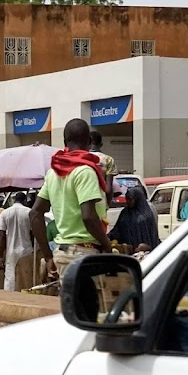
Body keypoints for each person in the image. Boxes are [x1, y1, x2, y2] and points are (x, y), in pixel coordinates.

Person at [30, 119, 113, 280]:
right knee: (95, 304)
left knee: (72, 304)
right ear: (89, 141)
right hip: (85, 253)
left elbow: (34, 213)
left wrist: (48, 256)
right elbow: (88, 216)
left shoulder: (54, 172)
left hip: (62, 254)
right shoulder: (85, 171)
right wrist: (106, 243)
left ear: (65, 142)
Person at [0, 192, 33, 292]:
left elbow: (2, 236)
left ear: (14, 200)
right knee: (26, 276)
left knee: (10, 278)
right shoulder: (29, 212)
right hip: (26, 249)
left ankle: (9, 299)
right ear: (25, 200)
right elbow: (32, 233)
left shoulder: (5, 213)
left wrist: (1, 256)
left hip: (11, 251)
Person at [110, 186, 161, 250]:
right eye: (127, 199)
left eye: (130, 199)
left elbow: (151, 238)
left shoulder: (146, 215)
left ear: (137, 199)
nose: (128, 201)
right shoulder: (125, 212)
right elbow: (117, 230)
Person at [89, 130, 116, 203]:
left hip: (84, 201)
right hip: (101, 202)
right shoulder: (108, 160)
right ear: (101, 144)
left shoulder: (81, 158)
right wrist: (108, 203)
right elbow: (108, 189)